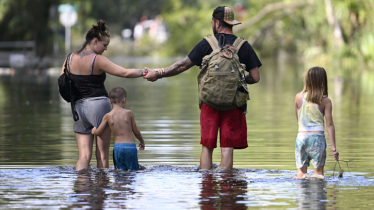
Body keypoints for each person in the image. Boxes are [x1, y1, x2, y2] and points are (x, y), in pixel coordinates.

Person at [144, 6, 262, 170]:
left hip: (209, 103)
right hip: (234, 104)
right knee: (227, 148)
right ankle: (226, 185)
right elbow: (255, 77)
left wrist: (158, 73)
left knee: (207, 146)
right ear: (231, 23)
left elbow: (181, 66)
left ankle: (207, 186)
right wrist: (239, 79)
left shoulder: (207, 44)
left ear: (216, 23)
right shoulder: (244, 45)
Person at [60, 20, 149, 170]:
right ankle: (102, 191)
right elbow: (125, 73)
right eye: (105, 45)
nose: (106, 49)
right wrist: (145, 72)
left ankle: (82, 192)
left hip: (77, 109)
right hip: (99, 107)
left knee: (84, 156)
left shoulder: (69, 59)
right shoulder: (97, 59)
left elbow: (61, 84)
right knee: (102, 155)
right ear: (95, 41)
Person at [294, 66, 339, 178]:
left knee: (301, 174)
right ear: (323, 81)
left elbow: (298, 120)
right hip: (317, 139)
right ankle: (317, 194)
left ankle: (302, 194)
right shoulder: (325, 101)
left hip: (301, 138)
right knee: (318, 175)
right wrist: (333, 147)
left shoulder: (298, 97)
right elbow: (329, 125)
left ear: (307, 80)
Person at [92, 87, 145, 171]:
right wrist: (142, 141)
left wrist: (94, 130)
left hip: (118, 148)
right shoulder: (129, 113)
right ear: (124, 100)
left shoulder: (108, 116)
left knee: (120, 172)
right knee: (133, 171)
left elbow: (98, 132)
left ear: (110, 101)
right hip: (130, 147)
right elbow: (136, 131)